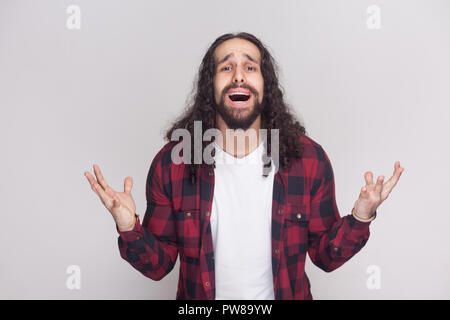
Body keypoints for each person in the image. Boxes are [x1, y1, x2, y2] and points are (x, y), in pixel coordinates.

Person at [84, 32, 404, 300]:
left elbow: (326, 256)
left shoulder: (307, 160)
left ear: (266, 84)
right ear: (211, 86)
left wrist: (362, 216)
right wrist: (129, 227)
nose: (239, 75)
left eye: (250, 67)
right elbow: (158, 266)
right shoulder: (174, 163)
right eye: (227, 67)